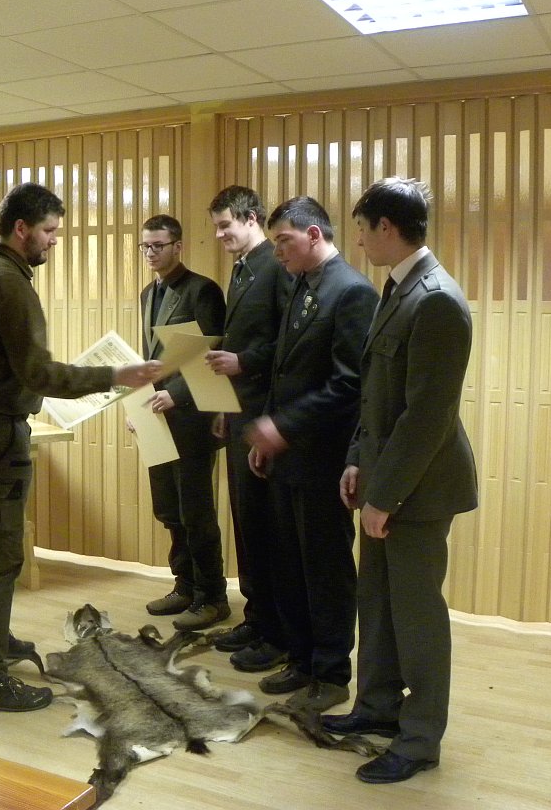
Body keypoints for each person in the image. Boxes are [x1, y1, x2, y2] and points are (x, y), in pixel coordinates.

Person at [0, 182, 161, 713]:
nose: (54, 240)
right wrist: (115, 374)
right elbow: (38, 372)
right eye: (49, 230)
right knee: (0, 554)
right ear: (21, 229)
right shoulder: (8, 280)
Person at [323, 177, 478, 784]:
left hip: (419, 488)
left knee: (416, 616)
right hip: (386, 476)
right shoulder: (399, 288)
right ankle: (378, 706)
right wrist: (357, 460)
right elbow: (376, 396)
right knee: (379, 603)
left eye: (363, 229)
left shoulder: (436, 299)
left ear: (386, 227)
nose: (358, 240)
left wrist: (384, 496)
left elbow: (427, 416)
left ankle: (418, 739)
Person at [245, 196, 377, 713]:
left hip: (323, 459)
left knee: (325, 569)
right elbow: (284, 369)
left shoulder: (352, 291)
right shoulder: (303, 283)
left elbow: (349, 385)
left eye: (284, 241)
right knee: (291, 564)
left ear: (315, 235)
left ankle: (331, 672)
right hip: (287, 456)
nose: (278, 251)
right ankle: (301, 659)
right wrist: (270, 429)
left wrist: (281, 426)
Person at [203, 187, 291, 669]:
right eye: (217, 227)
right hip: (240, 410)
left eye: (225, 225)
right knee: (245, 523)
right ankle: (256, 617)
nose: (219, 235)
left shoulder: (276, 266)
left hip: (266, 415)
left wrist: (243, 362)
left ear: (252, 218)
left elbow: (285, 344)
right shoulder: (241, 269)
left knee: (266, 528)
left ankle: (275, 630)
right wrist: (224, 403)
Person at [138, 213, 229, 631]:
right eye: (145, 246)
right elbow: (152, 360)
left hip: (192, 415)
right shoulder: (147, 293)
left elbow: (209, 356)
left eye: (158, 245)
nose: (150, 253)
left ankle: (213, 596)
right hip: (156, 414)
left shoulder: (202, 290)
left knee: (196, 510)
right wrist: (138, 404)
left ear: (178, 246)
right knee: (168, 508)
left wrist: (176, 394)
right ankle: (185, 586)